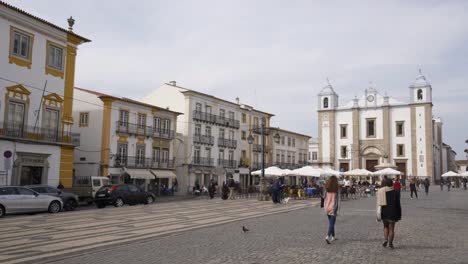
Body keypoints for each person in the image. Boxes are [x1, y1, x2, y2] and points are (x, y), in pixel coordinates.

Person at [377, 178, 401, 249]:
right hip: (393, 211)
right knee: (392, 228)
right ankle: (391, 243)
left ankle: (385, 239)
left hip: (384, 211)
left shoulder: (381, 191)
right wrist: (399, 213)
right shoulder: (396, 192)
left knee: (385, 227)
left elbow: (378, 202)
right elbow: (398, 203)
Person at [324, 176, 340, 244]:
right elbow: (338, 200)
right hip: (333, 207)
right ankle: (327, 236)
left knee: (331, 223)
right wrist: (338, 209)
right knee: (332, 223)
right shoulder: (337, 189)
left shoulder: (326, 188)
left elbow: (323, 197)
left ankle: (333, 236)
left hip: (326, 206)